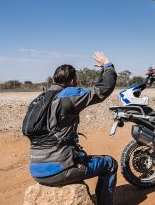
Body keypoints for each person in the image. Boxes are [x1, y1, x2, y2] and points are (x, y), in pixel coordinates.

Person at [28, 52, 117, 205]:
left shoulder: (39, 100)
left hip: (35, 170)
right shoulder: (68, 94)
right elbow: (103, 89)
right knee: (109, 164)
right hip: (59, 170)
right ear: (72, 80)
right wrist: (107, 65)